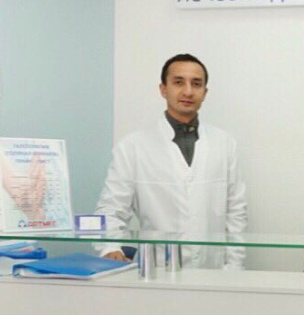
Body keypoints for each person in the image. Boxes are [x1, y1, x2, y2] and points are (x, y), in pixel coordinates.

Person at [93, 54, 247, 269]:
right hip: (157, 271)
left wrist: (234, 267)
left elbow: (236, 212)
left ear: (205, 93)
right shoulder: (132, 146)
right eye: (178, 82)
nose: (188, 91)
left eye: (196, 84)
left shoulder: (225, 143)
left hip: (213, 271)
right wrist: (111, 247)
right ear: (163, 89)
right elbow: (111, 209)